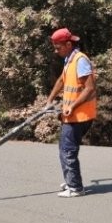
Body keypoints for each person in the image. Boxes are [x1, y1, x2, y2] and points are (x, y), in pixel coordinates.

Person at [46, 28, 97, 198]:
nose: (56, 50)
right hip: (72, 114)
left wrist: (72, 106)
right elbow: (62, 79)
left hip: (80, 115)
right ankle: (71, 180)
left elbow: (89, 89)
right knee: (64, 148)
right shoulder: (69, 59)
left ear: (69, 44)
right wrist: (50, 99)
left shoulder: (80, 60)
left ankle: (75, 187)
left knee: (67, 150)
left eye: (58, 47)